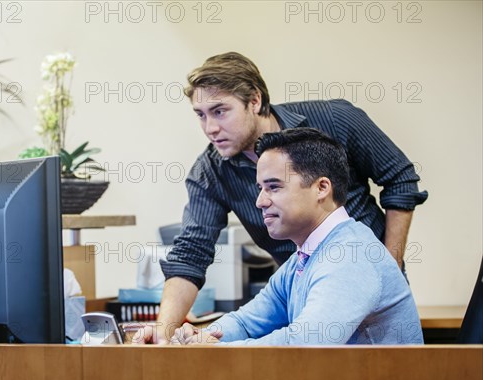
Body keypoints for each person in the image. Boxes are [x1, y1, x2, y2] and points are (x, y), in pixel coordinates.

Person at [134, 52, 427, 344]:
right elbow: (195, 258)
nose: (209, 128)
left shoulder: (334, 120)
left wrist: (387, 265)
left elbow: (400, 178)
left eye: (220, 111)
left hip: (357, 280)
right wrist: (179, 336)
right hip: (315, 285)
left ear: (255, 101)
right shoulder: (298, 261)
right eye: (201, 115)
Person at [172, 129, 423, 345]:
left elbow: (303, 344)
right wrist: (202, 337)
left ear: (321, 188)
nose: (260, 201)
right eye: (260, 188)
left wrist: (214, 348)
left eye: (274, 187)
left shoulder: (350, 255)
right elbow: (246, 323)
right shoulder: (303, 259)